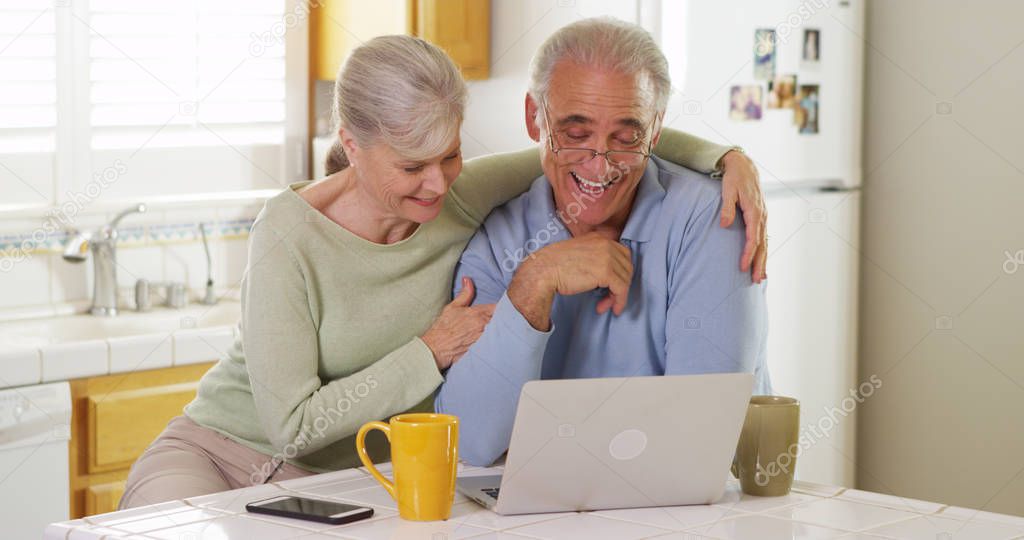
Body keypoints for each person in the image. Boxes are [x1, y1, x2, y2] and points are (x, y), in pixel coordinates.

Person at [120, 33, 767, 508]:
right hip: (223, 448)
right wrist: (431, 350)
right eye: (410, 166)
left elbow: (600, 142)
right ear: (352, 146)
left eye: (451, 154)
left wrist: (730, 155)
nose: (435, 184)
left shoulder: (463, 197)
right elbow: (296, 427)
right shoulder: (288, 234)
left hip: (352, 480)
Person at [436, 18, 770, 467]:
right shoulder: (500, 240)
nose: (600, 165)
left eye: (626, 137)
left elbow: (702, 432)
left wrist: (538, 445)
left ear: (655, 131)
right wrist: (534, 281)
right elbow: (470, 441)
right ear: (535, 119)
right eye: (576, 134)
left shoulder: (715, 218)